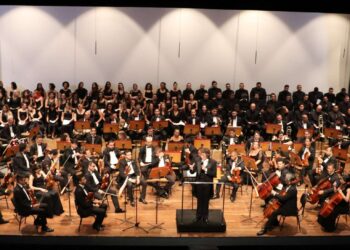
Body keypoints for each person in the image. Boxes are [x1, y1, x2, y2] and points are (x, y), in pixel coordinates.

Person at [188, 147, 217, 223]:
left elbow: (214, 174)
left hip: (207, 184)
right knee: (199, 201)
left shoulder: (213, 162)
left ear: (205, 154)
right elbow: (192, 172)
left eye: (201, 153)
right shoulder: (198, 161)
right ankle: (198, 216)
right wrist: (191, 169)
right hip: (199, 184)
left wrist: (206, 170)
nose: (200, 155)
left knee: (206, 201)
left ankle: (205, 217)